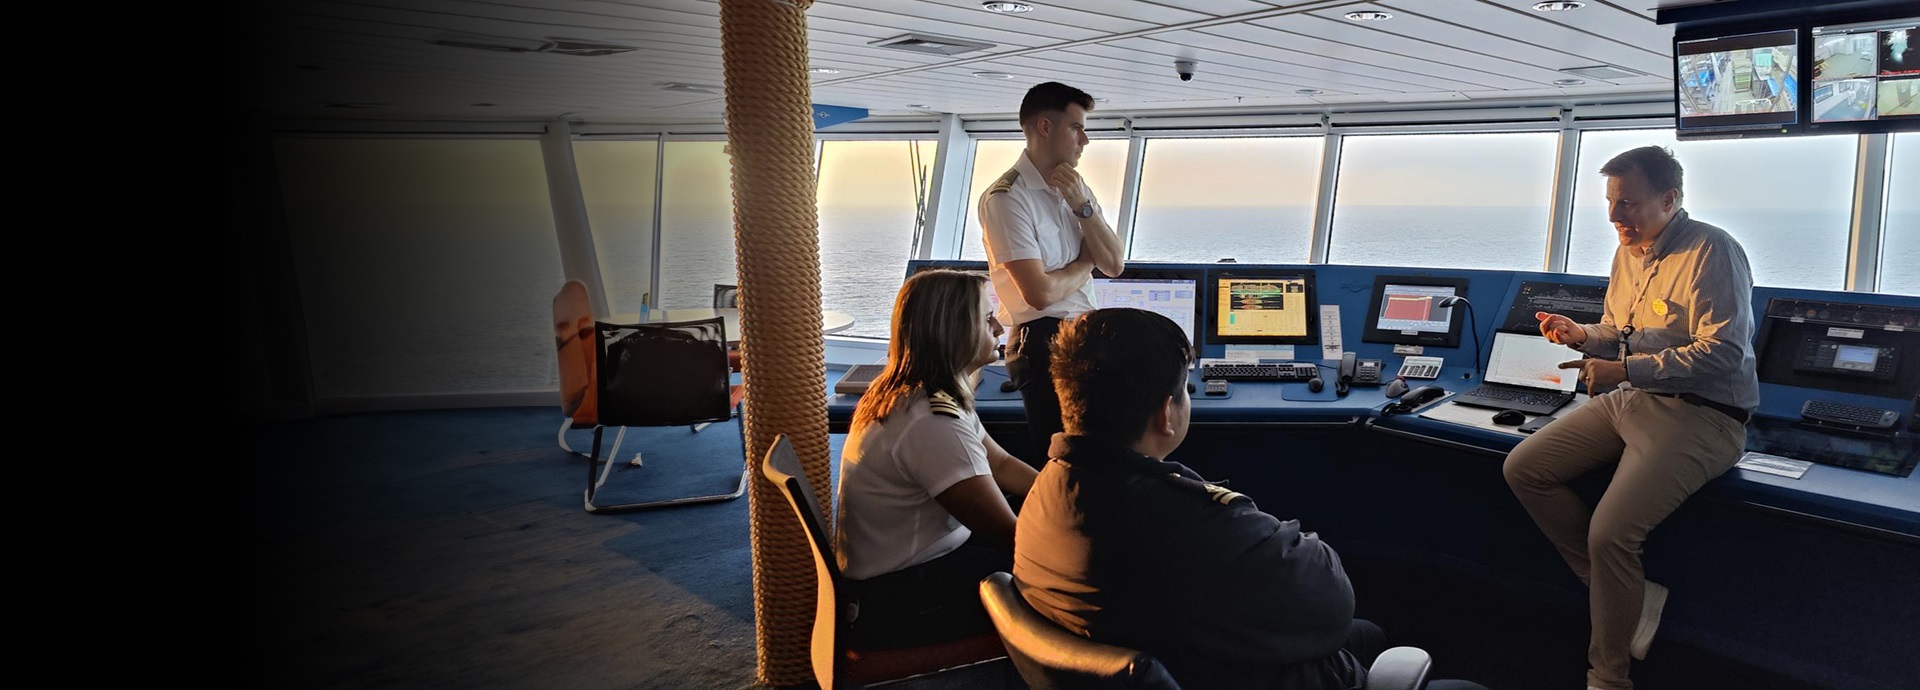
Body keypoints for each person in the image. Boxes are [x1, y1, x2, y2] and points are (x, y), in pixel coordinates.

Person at [1013, 308, 1485, 690]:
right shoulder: (1196, 527)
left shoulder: (1047, 491)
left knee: (1369, 635)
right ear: (1167, 413)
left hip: (1164, 650)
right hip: (1225, 669)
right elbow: (1332, 601)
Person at [1505, 145, 1758, 690]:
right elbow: (1620, 331)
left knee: (1611, 534)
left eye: (1629, 203)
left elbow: (1724, 354)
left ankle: (1608, 676)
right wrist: (1583, 334)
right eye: (1611, 203)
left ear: (1670, 199)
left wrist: (1624, 372)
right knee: (1524, 468)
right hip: (1634, 400)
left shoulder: (1713, 252)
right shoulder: (1629, 252)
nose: (1616, 217)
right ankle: (1627, 596)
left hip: (1704, 415)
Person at [833, 269, 1039, 650]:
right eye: (985, 317)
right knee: (1064, 576)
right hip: (899, 600)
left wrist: (1063, 495)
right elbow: (1009, 535)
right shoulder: (931, 421)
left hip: (907, 567)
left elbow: (1002, 464)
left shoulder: (922, 393)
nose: (998, 327)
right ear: (953, 328)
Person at [977, 81, 1126, 466]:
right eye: (1077, 127)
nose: (1085, 140)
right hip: (1041, 341)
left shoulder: (1076, 188)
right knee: (1065, 465)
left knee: (1100, 457)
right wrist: (1083, 263)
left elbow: (1114, 263)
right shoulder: (1008, 198)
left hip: (1081, 335)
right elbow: (1039, 294)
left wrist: (1083, 207)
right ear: (1045, 127)